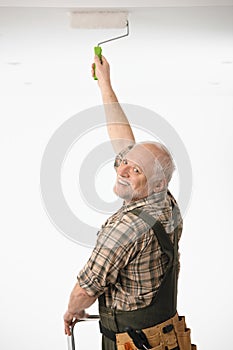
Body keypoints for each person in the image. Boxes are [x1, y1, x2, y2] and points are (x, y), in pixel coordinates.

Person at [63, 56, 185, 350]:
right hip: (168, 337)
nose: (122, 170)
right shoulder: (164, 200)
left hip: (134, 342)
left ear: (155, 182)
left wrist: (73, 311)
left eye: (135, 170)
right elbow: (124, 140)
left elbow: (86, 289)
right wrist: (105, 83)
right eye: (125, 163)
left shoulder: (125, 229)